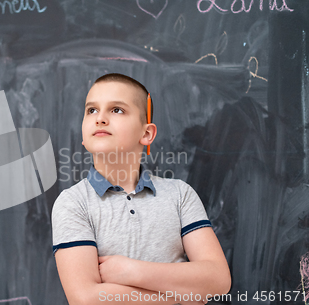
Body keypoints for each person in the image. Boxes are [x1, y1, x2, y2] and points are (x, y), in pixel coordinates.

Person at [51, 73, 231, 305]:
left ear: (146, 134)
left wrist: (129, 271)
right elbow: (87, 299)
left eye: (117, 110)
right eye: (91, 110)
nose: (100, 118)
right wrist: (185, 297)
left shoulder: (180, 194)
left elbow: (218, 279)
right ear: (84, 136)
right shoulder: (73, 202)